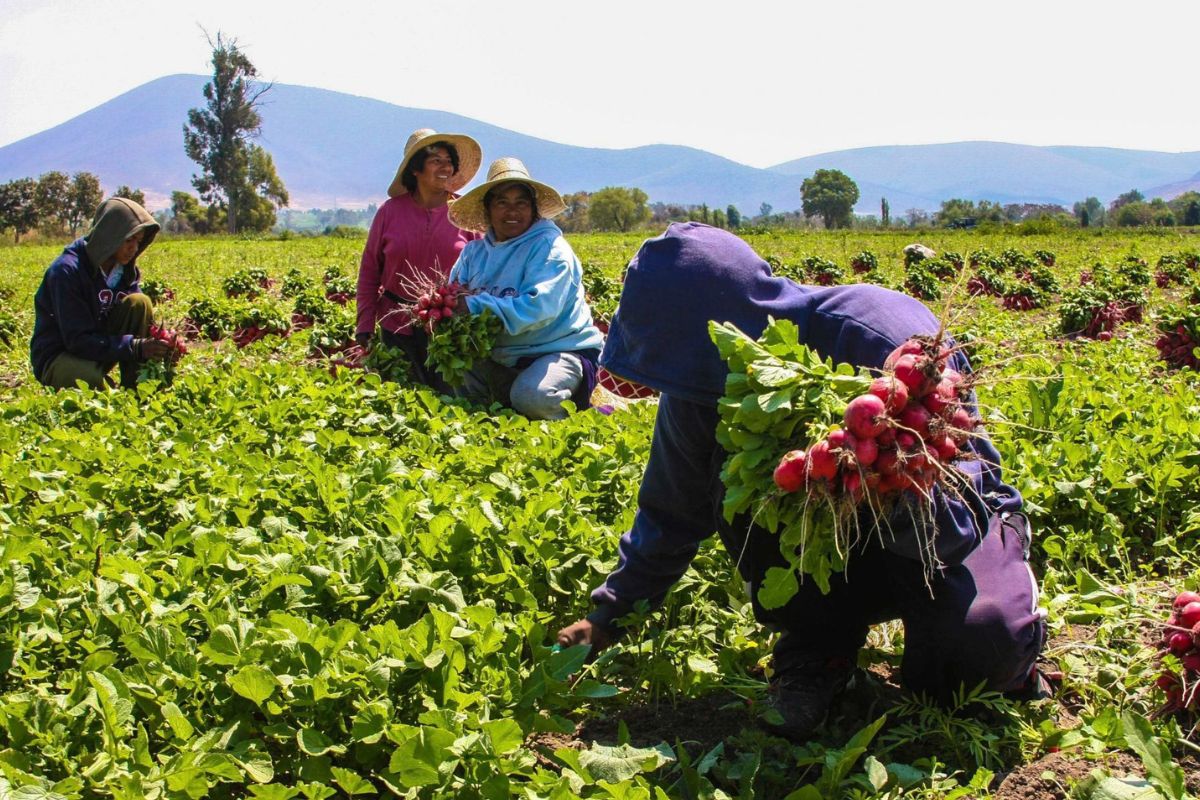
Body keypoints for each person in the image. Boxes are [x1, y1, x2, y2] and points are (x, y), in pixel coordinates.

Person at [556, 222, 1047, 740]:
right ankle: (819, 642)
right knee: (742, 487)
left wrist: (895, 483)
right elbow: (670, 510)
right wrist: (610, 614)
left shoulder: (879, 336)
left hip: (948, 528)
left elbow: (964, 502)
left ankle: (1011, 630)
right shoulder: (702, 382)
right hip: (831, 554)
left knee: (977, 654)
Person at [445, 158, 604, 420]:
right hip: (500, 355)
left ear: (533, 209)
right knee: (453, 372)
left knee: (532, 397)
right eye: (502, 203)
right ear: (488, 209)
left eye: (521, 202)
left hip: (557, 350)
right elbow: (455, 294)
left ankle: (582, 417)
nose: (512, 211)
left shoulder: (550, 249)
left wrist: (473, 305)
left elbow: (540, 308)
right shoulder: (473, 254)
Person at [356, 128, 483, 390]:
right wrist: (365, 323)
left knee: (449, 401)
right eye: (436, 160)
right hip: (395, 325)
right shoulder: (389, 212)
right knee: (400, 399)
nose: (445, 167)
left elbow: (485, 271)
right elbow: (370, 272)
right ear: (416, 169)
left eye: (449, 161)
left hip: (451, 328)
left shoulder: (464, 214)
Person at [31, 197, 171, 389]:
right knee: (95, 388)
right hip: (61, 355)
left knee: (139, 302)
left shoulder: (124, 272)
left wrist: (162, 340)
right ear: (109, 236)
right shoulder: (67, 271)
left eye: (138, 241)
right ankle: (106, 388)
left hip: (99, 349)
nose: (134, 248)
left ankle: (139, 390)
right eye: (129, 240)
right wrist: (134, 347)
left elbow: (139, 321)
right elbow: (76, 340)